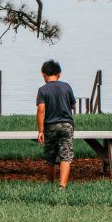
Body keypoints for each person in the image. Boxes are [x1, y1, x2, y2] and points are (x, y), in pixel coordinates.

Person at [36, 59, 76, 189]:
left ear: (43, 74)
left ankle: (50, 183)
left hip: (50, 126)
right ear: (59, 74)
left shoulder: (42, 90)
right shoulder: (66, 86)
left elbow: (41, 110)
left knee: (50, 155)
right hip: (67, 125)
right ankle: (62, 186)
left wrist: (40, 131)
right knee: (66, 154)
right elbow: (73, 105)